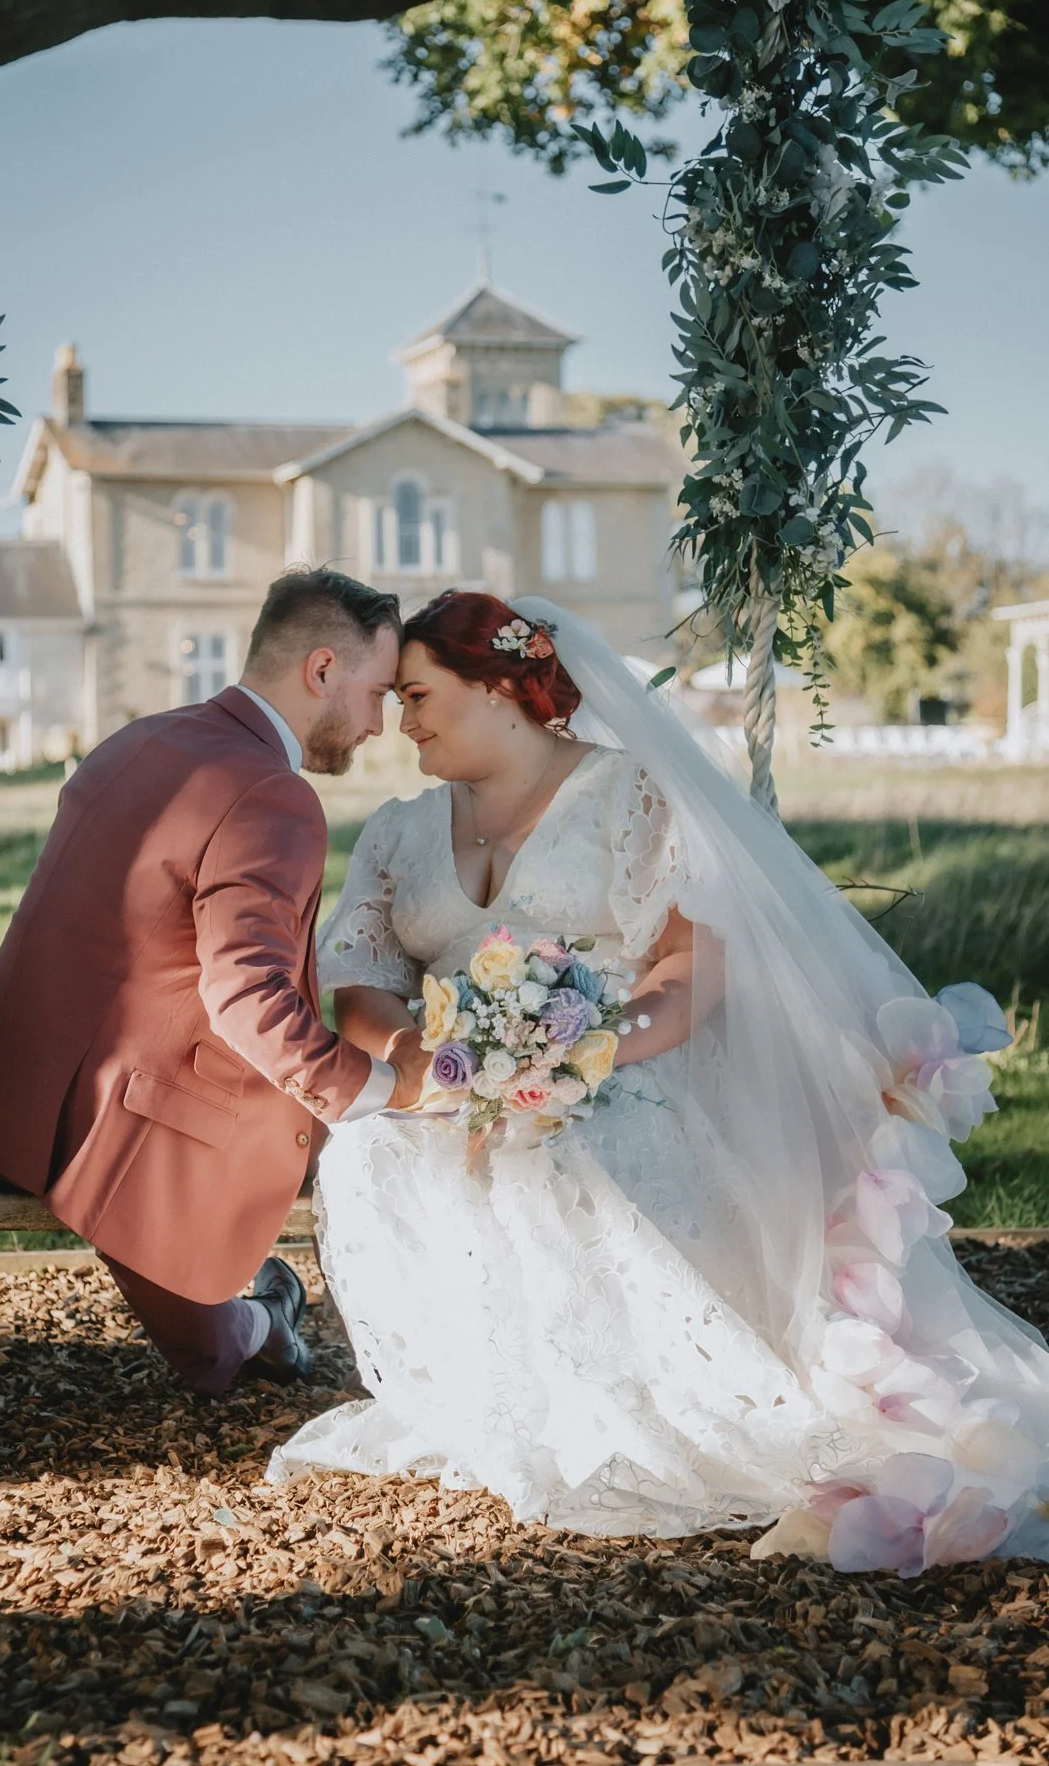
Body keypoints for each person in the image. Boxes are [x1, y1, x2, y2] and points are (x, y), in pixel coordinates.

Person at [270, 589, 1049, 1576]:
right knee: (376, 1144)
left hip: (624, 1063)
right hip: (454, 1076)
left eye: (421, 694)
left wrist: (570, 1055)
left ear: (504, 686)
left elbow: (686, 979)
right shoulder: (398, 829)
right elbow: (366, 987)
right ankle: (496, 1396)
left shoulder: (628, 797)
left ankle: (646, 1400)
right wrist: (449, 1060)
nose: (402, 721)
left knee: (575, 1141)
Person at [0, 568, 429, 1396]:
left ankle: (269, 1313)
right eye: (377, 692)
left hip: (8, 1098)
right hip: (124, 1124)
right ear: (319, 671)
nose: (380, 725)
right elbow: (249, 1000)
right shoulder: (272, 794)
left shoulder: (141, 739)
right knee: (214, 1352)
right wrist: (386, 1085)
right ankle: (271, 1322)